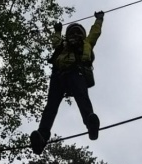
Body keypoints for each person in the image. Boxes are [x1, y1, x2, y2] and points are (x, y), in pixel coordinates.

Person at [30, 11, 105, 155]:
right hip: (58, 75)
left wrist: (99, 20)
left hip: (76, 72)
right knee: (51, 106)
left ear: (82, 36)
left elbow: (94, 33)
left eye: (78, 33)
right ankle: (41, 137)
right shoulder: (63, 46)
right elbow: (55, 42)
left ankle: (90, 124)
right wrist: (57, 31)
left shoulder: (86, 43)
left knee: (82, 97)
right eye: (72, 32)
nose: (75, 35)